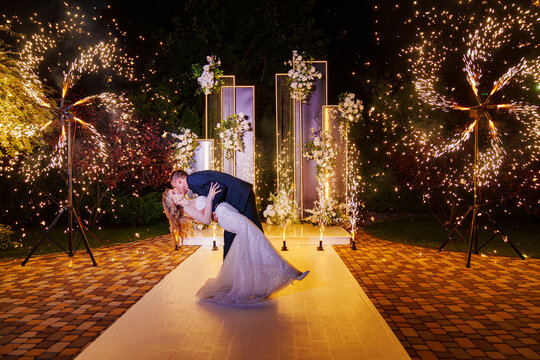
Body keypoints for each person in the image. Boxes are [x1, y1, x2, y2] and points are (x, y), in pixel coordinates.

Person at [162, 183, 309, 305]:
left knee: (251, 246)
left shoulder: (191, 199)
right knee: (258, 240)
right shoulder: (187, 209)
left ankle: (263, 282)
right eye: (173, 194)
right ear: (173, 202)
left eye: (174, 190)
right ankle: (290, 271)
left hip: (228, 212)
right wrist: (210, 199)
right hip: (226, 218)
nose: (176, 192)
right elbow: (206, 220)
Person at [170, 169, 262, 259]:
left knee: (255, 231)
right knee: (230, 239)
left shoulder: (192, 180)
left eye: (175, 187)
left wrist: (211, 205)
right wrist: (212, 209)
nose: (177, 189)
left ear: (179, 181)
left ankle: (263, 260)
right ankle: (228, 270)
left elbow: (220, 187)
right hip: (234, 203)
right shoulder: (193, 183)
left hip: (242, 196)